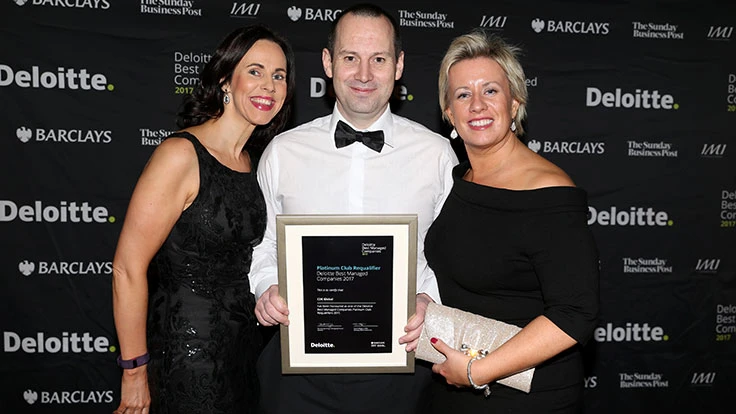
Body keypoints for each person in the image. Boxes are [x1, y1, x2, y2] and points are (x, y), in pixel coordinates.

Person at [249, 3, 459, 413]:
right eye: (350, 58)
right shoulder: (283, 152)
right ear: (328, 62)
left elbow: (452, 257)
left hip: (404, 365)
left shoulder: (437, 156)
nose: (364, 74)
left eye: (378, 59)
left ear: (398, 65)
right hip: (297, 368)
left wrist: (428, 300)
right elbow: (265, 244)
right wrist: (267, 288)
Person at [111, 25, 295, 414]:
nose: (269, 85)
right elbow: (127, 268)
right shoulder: (181, 155)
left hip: (243, 357)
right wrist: (134, 372)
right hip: (186, 358)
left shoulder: (252, 162)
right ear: (226, 79)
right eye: (256, 71)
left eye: (279, 76)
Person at [424, 30, 599, 413]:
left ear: (515, 101)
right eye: (463, 95)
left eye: (490, 90)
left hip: (527, 395)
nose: (477, 105)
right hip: (455, 384)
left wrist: (478, 371)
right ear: (449, 112)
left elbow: (575, 313)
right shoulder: (462, 180)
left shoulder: (548, 191)